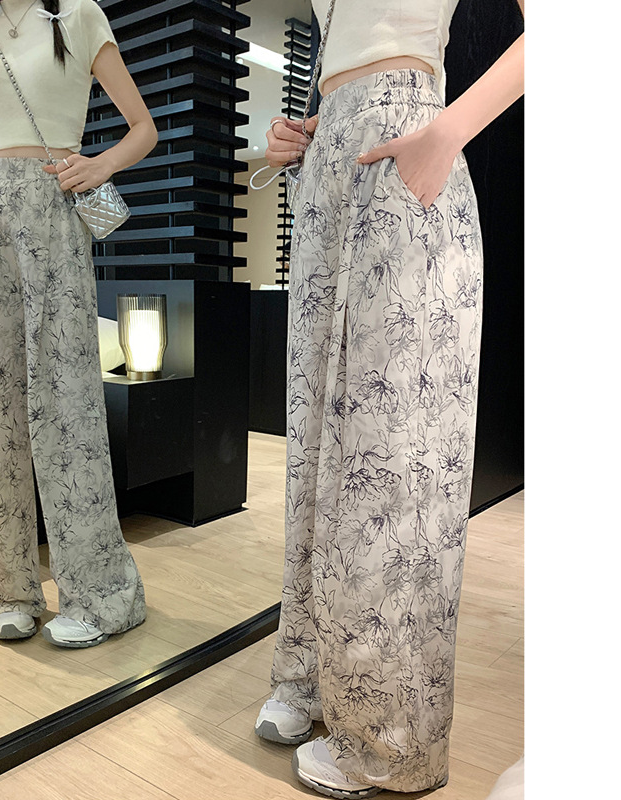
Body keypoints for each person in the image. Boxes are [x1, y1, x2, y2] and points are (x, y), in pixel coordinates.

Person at [253, 0, 524, 796]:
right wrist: (304, 131)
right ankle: (311, 670)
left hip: (409, 141)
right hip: (328, 165)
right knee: (314, 444)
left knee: (388, 457)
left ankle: (389, 735)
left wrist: (449, 131)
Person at [0, 0, 158, 648]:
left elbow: (142, 127)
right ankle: (9, 591)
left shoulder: (79, 16)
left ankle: (102, 595)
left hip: (54, 207)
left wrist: (101, 165)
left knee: (67, 405)